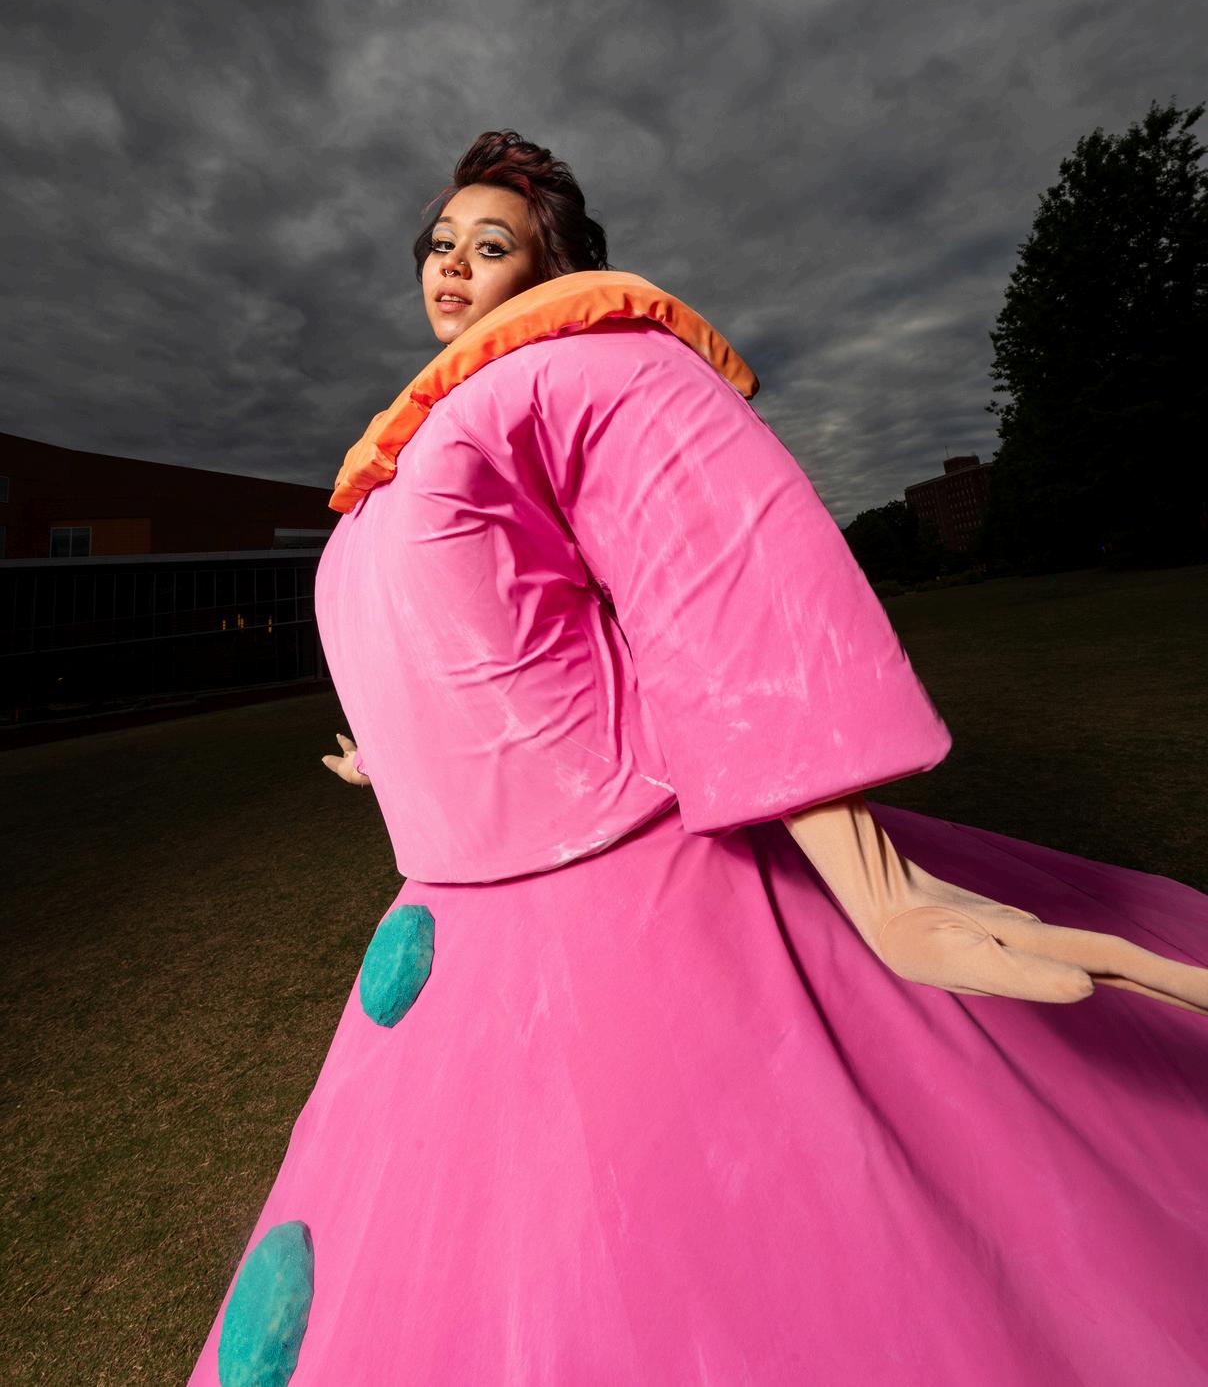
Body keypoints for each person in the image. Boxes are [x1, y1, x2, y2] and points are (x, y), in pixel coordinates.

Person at [188, 130, 1208, 1387]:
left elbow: (713, 582)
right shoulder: (404, 450)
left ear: (546, 266)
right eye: (438, 243)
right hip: (459, 932)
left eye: (489, 244)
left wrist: (874, 887)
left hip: (625, 890)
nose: (450, 264)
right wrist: (400, 759)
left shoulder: (577, 365)